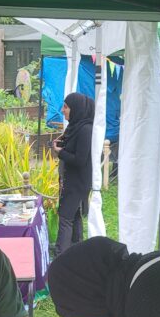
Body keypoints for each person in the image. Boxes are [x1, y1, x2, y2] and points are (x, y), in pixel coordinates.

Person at [53, 92, 95, 254]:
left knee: (65, 218)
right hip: (72, 180)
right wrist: (61, 143)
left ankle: (60, 255)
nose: (62, 110)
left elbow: (80, 159)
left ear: (76, 108)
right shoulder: (75, 126)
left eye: (66, 107)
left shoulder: (85, 129)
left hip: (78, 182)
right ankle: (77, 252)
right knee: (73, 216)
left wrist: (60, 152)